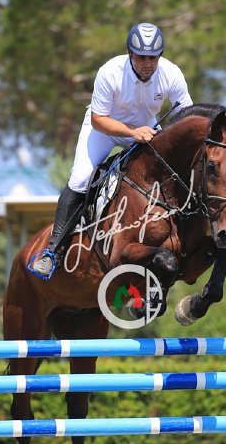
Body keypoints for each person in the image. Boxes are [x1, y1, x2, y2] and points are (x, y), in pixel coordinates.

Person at [31, 22, 193, 277]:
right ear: (130, 53)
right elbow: (98, 119)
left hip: (145, 130)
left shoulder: (171, 74)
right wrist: (133, 132)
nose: (148, 63)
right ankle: (53, 252)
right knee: (81, 178)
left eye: (153, 57)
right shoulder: (110, 72)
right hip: (104, 128)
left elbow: (186, 116)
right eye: (141, 57)